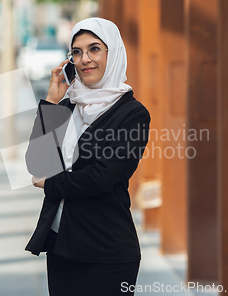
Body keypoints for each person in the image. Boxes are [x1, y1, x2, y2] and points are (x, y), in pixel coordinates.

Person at [24, 17, 151, 296]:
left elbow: (102, 176)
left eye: (95, 49)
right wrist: (52, 103)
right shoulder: (68, 105)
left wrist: (50, 184)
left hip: (107, 252)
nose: (85, 59)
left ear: (113, 53)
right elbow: (37, 163)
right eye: (77, 52)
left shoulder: (132, 114)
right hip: (61, 246)